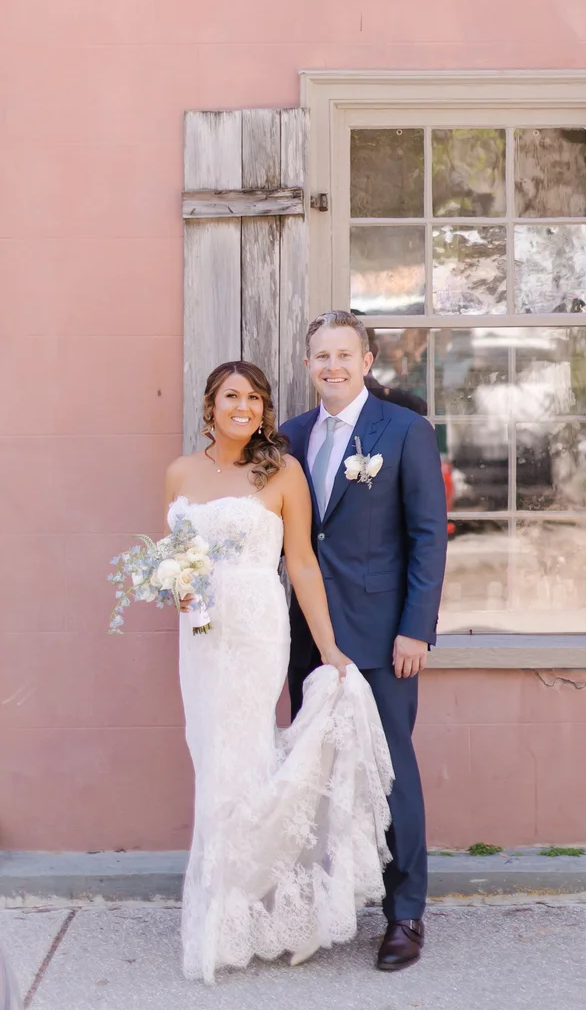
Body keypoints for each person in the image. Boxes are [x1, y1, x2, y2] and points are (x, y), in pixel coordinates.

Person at [163, 361, 393, 984]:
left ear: (265, 411)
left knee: (246, 760)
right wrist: (180, 589)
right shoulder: (180, 472)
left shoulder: (283, 471)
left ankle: (278, 907)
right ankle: (230, 912)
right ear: (210, 405)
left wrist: (330, 649)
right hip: (201, 640)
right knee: (213, 762)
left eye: (255, 398)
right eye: (231, 396)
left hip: (258, 631)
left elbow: (304, 566)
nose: (244, 406)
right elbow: (179, 561)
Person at [281, 310, 448, 972]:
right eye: (321, 356)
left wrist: (416, 628)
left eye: (344, 355)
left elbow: (429, 536)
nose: (333, 366)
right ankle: (331, 903)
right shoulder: (290, 437)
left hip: (384, 637)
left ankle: (405, 914)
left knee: (392, 772)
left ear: (368, 360)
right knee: (318, 772)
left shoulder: (404, 431)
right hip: (308, 635)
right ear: (308, 365)